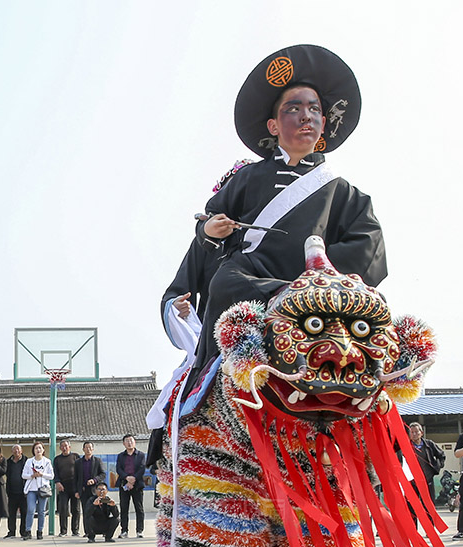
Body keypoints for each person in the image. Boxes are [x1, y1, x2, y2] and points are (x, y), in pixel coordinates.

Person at [157, 45, 385, 435]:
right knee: (225, 283)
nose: (306, 116)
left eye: (314, 109)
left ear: (325, 123)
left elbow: (370, 247)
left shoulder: (345, 192)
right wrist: (209, 231)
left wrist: (319, 277)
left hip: (318, 286)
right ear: (273, 125)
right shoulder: (247, 178)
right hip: (253, 276)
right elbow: (209, 222)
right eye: (294, 108)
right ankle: (216, 386)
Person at [115, 434, 147, 538]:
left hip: (137, 485)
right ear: (123, 443)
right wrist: (127, 478)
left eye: (131, 440)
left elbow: (142, 468)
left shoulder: (141, 455)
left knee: (139, 508)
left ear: (135, 442)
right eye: (127, 441)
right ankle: (124, 531)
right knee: (124, 508)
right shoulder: (120, 456)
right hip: (124, 484)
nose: (129, 443)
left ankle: (139, 530)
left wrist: (133, 479)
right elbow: (118, 469)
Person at [405, 423, 445, 503]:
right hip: (411, 480)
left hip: (427, 479)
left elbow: (441, 456)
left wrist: (436, 467)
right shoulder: (406, 446)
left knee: (428, 504)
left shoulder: (429, 444)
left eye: (416, 432)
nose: (414, 434)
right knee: (412, 504)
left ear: (421, 433)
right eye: (412, 432)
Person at [22, 443, 53, 539]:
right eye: (36, 448)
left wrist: (42, 474)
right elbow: (23, 475)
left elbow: (51, 476)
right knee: (31, 509)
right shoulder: (29, 461)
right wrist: (32, 476)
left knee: (41, 511)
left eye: (40, 448)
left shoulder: (47, 462)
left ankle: (40, 531)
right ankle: (28, 531)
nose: (38, 450)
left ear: (43, 450)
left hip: (43, 489)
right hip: (32, 489)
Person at [74, 442, 105, 536]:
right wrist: (76, 490)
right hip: (83, 491)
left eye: (90, 448)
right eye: (86, 447)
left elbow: (103, 474)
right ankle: (88, 532)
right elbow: (75, 477)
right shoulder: (78, 462)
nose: (88, 449)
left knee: (99, 510)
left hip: (95, 490)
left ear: (93, 449)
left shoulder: (97, 461)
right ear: (83, 449)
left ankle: (102, 530)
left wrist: (94, 480)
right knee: (86, 511)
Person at [52, 440, 80, 537]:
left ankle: (75, 530)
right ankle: (63, 531)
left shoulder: (76, 457)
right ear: (60, 448)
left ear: (70, 447)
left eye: (66, 446)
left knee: (75, 509)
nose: (64, 448)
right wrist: (57, 482)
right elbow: (55, 472)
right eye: (62, 446)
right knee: (63, 508)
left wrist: (79, 487)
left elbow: (80, 472)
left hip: (75, 486)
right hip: (63, 487)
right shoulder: (57, 459)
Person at [5, 444, 28, 538]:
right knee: (11, 513)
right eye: (14, 450)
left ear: (21, 451)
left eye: (18, 450)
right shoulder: (8, 462)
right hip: (12, 492)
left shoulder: (27, 461)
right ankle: (11, 531)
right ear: (12, 452)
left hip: (24, 492)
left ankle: (23, 532)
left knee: (24, 513)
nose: (16, 451)